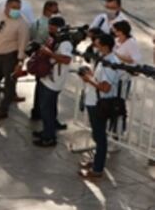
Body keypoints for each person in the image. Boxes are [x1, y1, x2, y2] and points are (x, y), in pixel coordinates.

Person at [78, 33, 120, 180]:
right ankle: (96, 161)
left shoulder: (111, 63)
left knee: (100, 137)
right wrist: (91, 75)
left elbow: (105, 88)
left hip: (98, 104)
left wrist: (89, 80)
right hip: (93, 101)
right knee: (96, 135)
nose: (96, 46)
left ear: (106, 46)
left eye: (98, 44)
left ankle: (97, 169)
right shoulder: (104, 59)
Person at [32, 16, 73, 147]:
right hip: (46, 77)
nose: (49, 29)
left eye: (52, 27)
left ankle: (49, 137)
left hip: (54, 80)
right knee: (48, 107)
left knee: (46, 109)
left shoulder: (65, 43)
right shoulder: (54, 38)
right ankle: (47, 130)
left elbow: (66, 59)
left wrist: (49, 53)